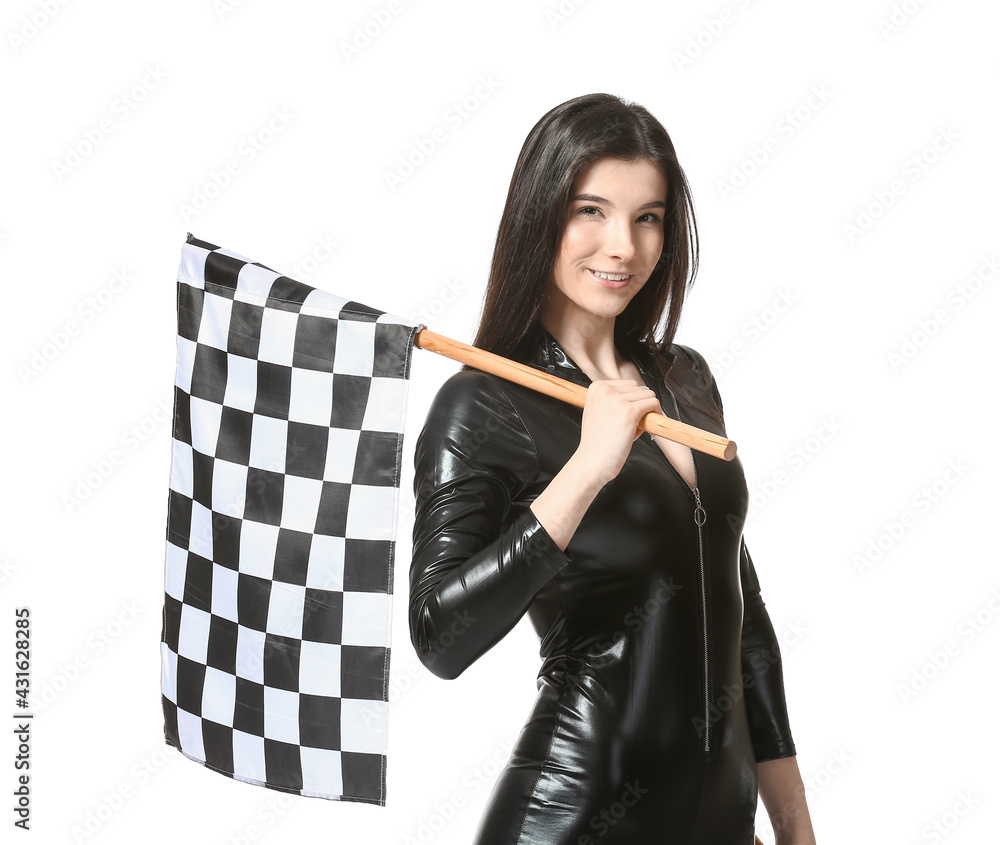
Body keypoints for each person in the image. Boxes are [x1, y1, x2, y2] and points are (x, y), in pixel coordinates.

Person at [408, 93, 817, 844]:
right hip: (572, 818)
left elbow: (744, 617)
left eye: (647, 216)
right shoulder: (484, 403)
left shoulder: (686, 379)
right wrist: (588, 467)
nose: (622, 246)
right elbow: (439, 637)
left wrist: (794, 824)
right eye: (590, 211)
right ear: (540, 217)